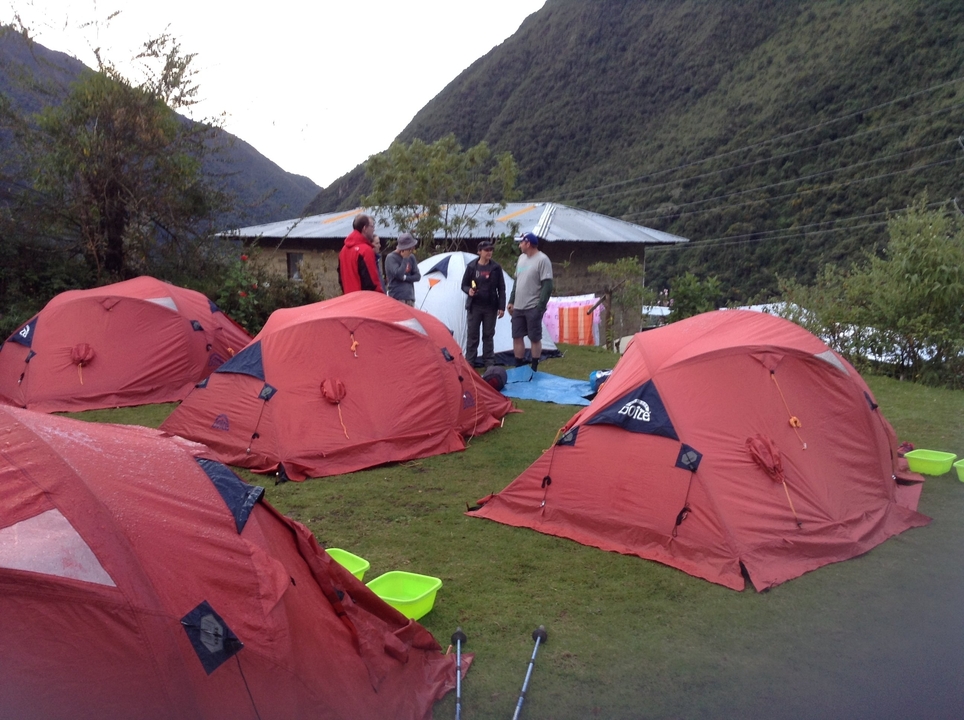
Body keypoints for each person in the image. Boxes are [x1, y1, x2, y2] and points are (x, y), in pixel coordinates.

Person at [506, 231, 553, 371]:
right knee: (517, 336)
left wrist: (540, 306)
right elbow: (517, 282)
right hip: (518, 306)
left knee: (534, 337)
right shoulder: (521, 258)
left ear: (528, 243)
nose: (519, 245)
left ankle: (534, 365)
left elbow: (548, 285)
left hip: (533, 306)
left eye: (521, 242)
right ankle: (518, 365)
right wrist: (511, 300)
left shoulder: (542, 260)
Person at [460, 239, 506, 367]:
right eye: (486, 250)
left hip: (490, 307)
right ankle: (470, 361)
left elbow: (501, 288)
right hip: (475, 306)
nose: (489, 252)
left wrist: (501, 306)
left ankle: (489, 362)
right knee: (473, 335)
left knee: (488, 335)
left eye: (491, 250)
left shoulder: (496, 268)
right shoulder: (471, 267)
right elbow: (463, 285)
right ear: (479, 252)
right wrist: (468, 290)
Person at [338, 214, 384, 294]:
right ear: (365, 228)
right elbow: (372, 282)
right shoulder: (365, 250)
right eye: (372, 226)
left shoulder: (343, 250)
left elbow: (341, 279)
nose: (374, 230)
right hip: (365, 300)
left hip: (349, 298)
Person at [384, 232, 420, 305]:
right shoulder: (391, 258)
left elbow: (417, 276)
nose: (413, 249)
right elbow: (399, 274)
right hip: (396, 297)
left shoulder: (412, 257)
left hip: (410, 297)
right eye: (411, 247)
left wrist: (405, 278)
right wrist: (405, 258)